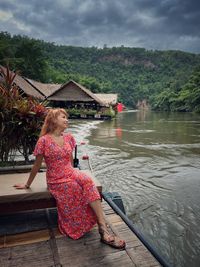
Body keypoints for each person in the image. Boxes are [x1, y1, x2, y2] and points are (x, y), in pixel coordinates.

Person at [14, 108, 125, 249]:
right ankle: (87, 225)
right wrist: (27, 184)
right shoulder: (44, 141)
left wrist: (75, 174)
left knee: (88, 181)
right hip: (56, 178)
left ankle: (102, 228)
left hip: (70, 171)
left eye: (67, 117)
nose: (67, 119)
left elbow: (70, 159)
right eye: (63, 117)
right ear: (53, 120)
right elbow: (36, 166)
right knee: (74, 187)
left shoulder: (68, 138)